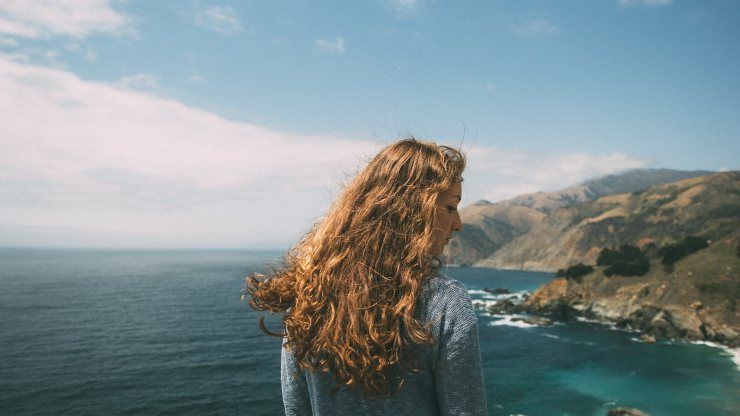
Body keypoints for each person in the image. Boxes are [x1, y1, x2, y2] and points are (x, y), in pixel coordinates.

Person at [246, 138, 487, 415]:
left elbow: (296, 408)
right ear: (412, 210)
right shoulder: (444, 303)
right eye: (450, 207)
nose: (457, 224)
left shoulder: (307, 292)